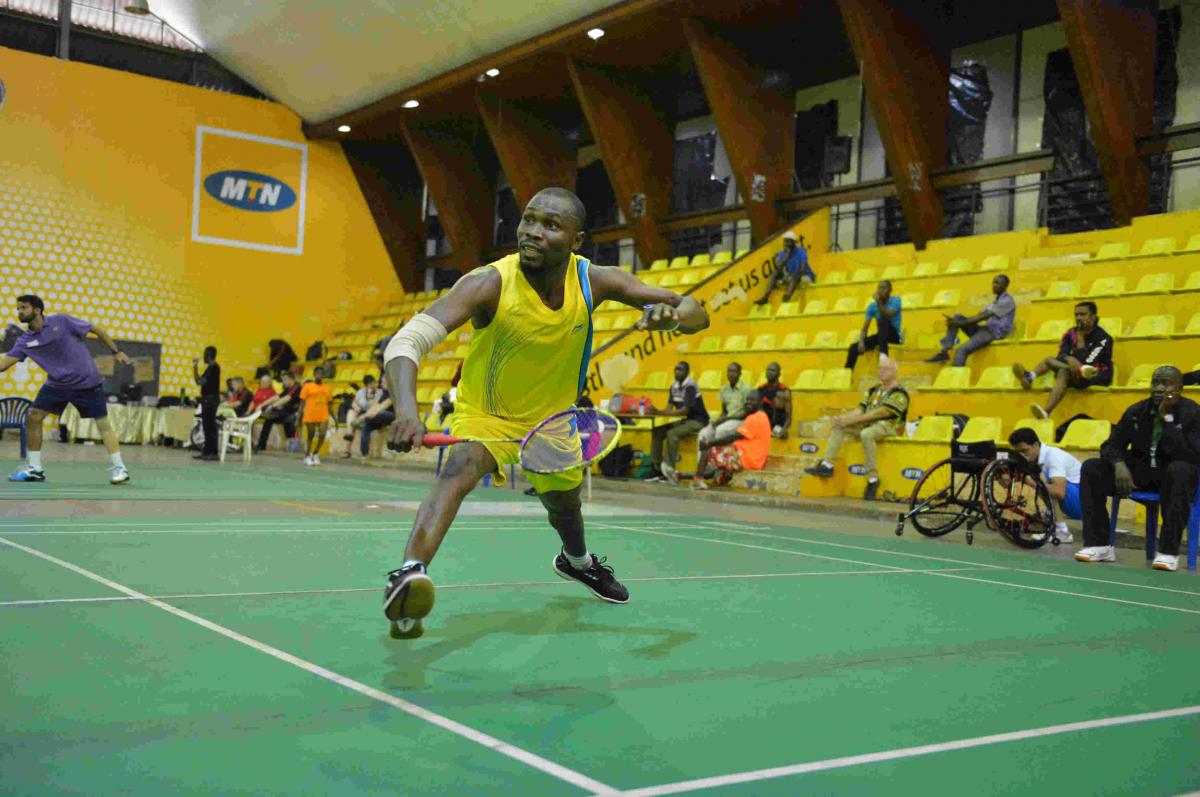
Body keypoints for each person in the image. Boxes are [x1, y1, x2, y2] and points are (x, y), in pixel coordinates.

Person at [381, 186, 708, 639]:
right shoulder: (489, 283)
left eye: (550, 225)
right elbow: (407, 341)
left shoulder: (595, 280)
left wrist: (671, 317)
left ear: (576, 241)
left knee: (564, 507)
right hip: (487, 414)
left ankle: (577, 563)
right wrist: (406, 410)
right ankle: (408, 577)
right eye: (528, 220)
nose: (532, 232)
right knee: (459, 468)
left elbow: (696, 312)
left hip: (552, 422)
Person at [1075, 366, 1200, 571]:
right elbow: (1110, 446)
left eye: (1166, 383)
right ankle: (1100, 545)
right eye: (1155, 382)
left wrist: (1167, 420)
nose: (1159, 388)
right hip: (1141, 473)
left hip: (1176, 475)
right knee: (1092, 468)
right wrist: (1119, 464)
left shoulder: (1193, 412)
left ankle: (1168, 552)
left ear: (1179, 388)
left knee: (1180, 470)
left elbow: (1193, 454)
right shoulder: (1137, 411)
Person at [1, 294, 131, 484]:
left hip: (86, 382)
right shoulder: (25, 340)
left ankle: (121, 468)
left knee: (103, 423)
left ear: (37, 310)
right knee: (33, 416)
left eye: (24, 308)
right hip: (57, 385)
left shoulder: (61, 321)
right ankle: (35, 470)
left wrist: (115, 351)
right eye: (18, 308)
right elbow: (4, 365)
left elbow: (96, 329)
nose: (19, 312)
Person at [804, 356, 908, 501]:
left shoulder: (899, 393)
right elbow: (861, 409)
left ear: (894, 372)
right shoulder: (873, 390)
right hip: (870, 424)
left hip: (890, 427)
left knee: (866, 434)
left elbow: (880, 413)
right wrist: (845, 418)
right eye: (879, 368)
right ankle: (827, 465)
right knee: (839, 426)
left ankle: (873, 479)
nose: (881, 371)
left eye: (885, 369)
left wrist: (852, 421)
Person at [1013, 301, 1113, 419]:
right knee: (1050, 360)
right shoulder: (1071, 333)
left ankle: (1046, 411)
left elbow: (1086, 363)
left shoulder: (1104, 339)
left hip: (1095, 374)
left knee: (1063, 371)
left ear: (1093, 317)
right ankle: (1030, 376)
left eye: (1083, 314)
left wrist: (1080, 339)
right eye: (1076, 315)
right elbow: (1061, 354)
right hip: (1074, 371)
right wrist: (1069, 358)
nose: (1078, 318)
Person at [1008, 427, 1081, 543]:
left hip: (1084, 504)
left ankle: (1062, 532)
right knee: (1040, 480)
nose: (1023, 456)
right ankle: (1051, 521)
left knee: (1044, 481)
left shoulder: (1053, 456)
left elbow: (1059, 492)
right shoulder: (1036, 458)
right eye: (1019, 453)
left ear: (1036, 445)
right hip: (1076, 499)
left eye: (1025, 451)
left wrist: (1027, 481)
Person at [926, 274, 1016, 365]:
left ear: (1005, 286)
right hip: (985, 329)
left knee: (961, 350)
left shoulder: (1007, 301)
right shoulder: (995, 301)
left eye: (997, 283)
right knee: (957, 317)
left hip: (993, 333)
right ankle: (944, 351)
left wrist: (960, 323)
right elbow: (979, 315)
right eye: (993, 282)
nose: (993, 285)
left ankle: (957, 377)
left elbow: (983, 317)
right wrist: (958, 322)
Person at [693, 390, 771, 489]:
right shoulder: (761, 416)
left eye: (752, 400)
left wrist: (709, 443)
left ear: (761, 402)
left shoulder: (755, 418)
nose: (748, 402)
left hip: (746, 458)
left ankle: (698, 479)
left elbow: (733, 436)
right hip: (748, 457)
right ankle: (719, 478)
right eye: (747, 400)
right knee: (721, 448)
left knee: (707, 448)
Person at [648, 361, 708, 484]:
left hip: (698, 420)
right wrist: (655, 411)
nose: (677, 372)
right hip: (686, 420)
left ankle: (670, 470)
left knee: (672, 433)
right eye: (676, 369)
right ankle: (658, 470)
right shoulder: (673, 386)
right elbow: (669, 408)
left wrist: (660, 413)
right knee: (658, 431)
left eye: (680, 370)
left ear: (687, 372)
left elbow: (684, 411)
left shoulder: (690, 386)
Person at [696, 362, 751, 464]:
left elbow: (746, 413)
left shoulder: (746, 389)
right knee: (704, 433)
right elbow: (724, 411)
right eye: (729, 371)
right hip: (728, 419)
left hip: (740, 421)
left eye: (734, 371)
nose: (731, 374)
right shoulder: (724, 389)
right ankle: (701, 468)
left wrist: (726, 419)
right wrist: (718, 420)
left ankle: (717, 464)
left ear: (740, 374)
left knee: (721, 430)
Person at [845, 280, 901, 370]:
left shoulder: (896, 300)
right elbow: (865, 327)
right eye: (879, 288)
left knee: (882, 320)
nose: (881, 290)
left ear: (890, 290)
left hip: (894, 336)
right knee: (853, 348)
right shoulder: (872, 306)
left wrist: (878, 302)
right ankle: (847, 376)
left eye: (884, 288)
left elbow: (888, 314)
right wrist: (861, 341)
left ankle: (883, 358)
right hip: (882, 336)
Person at [755, 231, 814, 304]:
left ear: (794, 242)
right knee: (775, 273)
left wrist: (792, 276)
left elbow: (802, 269)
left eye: (788, 241)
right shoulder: (782, 254)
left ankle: (788, 296)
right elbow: (779, 268)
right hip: (790, 277)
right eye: (785, 241)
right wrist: (786, 256)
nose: (786, 244)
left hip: (804, 277)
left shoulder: (801, 252)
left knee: (796, 275)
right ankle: (765, 297)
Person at [254, 371, 301, 452]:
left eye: (285, 380)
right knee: (269, 419)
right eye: (283, 380)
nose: (283, 382)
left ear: (291, 379)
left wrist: (272, 406)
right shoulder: (287, 389)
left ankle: (292, 445)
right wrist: (261, 405)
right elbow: (276, 397)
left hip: (296, 413)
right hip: (286, 412)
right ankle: (261, 446)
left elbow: (287, 398)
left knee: (289, 420)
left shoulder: (297, 387)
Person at [296, 366, 333, 466]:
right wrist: (298, 417)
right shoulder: (307, 386)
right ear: (314, 374)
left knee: (322, 434)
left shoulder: (327, 388)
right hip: (310, 414)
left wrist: (335, 418)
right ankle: (307, 456)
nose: (319, 375)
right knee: (310, 436)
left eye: (321, 373)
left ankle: (315, 453)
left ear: (323, 375)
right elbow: (302, 403)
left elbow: (329, 404)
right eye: (317, 373)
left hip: (323, 414)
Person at [352, 380, 394, 459]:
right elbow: (375, 406)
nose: (381, 384)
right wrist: (370, 396)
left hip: (391, 417)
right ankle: (365, 454)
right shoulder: (383, 394)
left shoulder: (393, 393)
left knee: (377, 414)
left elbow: (381, 408)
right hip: (380, 418)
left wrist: (362, 417)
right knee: (366, 427)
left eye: (384, 382)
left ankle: (363, 420)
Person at [192, 346, 221, 461]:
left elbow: (201, 382)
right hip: (208, 400)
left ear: (209, 354)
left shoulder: (213, 367)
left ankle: (213, 453)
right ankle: (207, 451)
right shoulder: (210, 368)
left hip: (211, 400)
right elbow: (198, 381)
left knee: (210, 426)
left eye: (205, 354)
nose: (204, 356)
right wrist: (195, 368)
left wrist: (195, 368)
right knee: (206, 426)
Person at [342, 374, 379, 457]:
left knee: (353, 423)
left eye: (374, 383)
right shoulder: (361, 392)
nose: (374, 385)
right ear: (367, 385)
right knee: (351, 412)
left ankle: (347, 449)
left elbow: (375, 407)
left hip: (371, 414)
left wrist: (370, 395)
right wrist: (356, 407)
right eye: (371, 383)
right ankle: (348, 442)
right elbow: (354, 402)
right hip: (360, 414)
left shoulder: (379, 392)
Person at [758, 362, 791, 439]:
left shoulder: (784, 391)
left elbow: (788, 417)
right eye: (768, 370)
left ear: (779, 374)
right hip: (763, 426)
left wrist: (784, 429)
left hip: (777, 427)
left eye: (773, 370)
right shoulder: (760, 389)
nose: (769, 372)